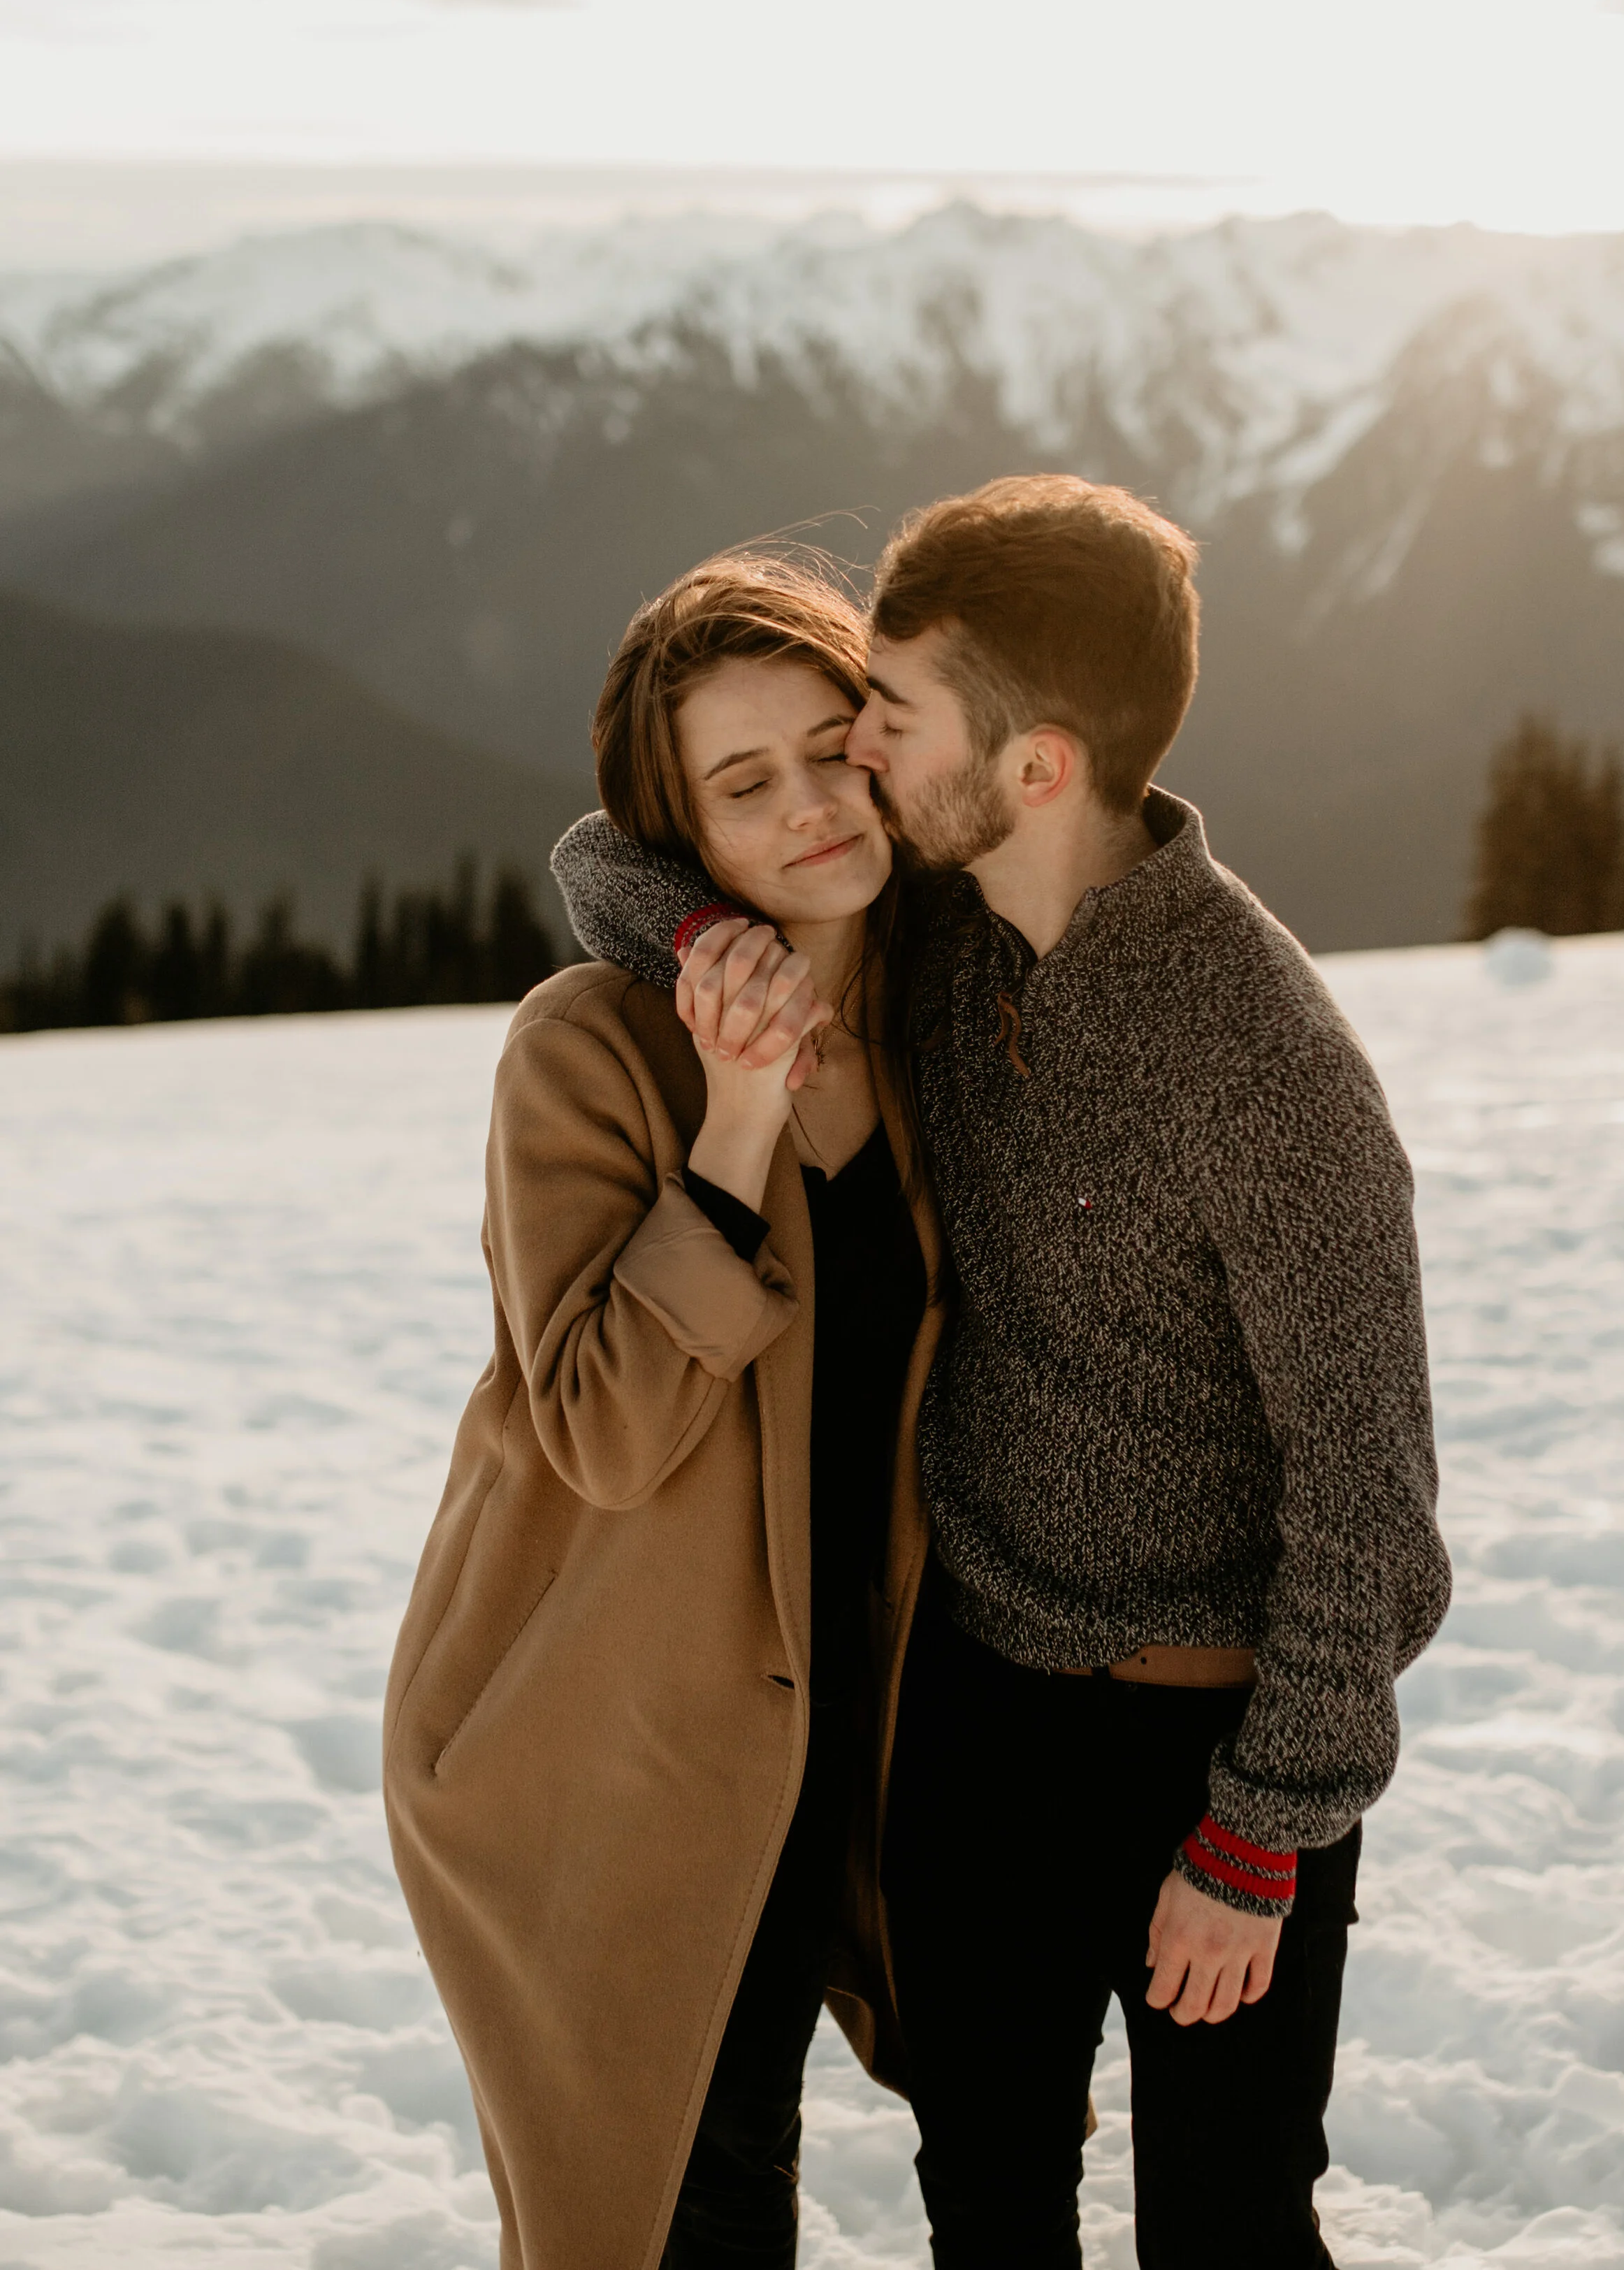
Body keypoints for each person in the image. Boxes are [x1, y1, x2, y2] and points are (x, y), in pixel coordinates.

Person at [555, 475, 1453, 2270]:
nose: (850, 760)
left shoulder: (1264, 1062)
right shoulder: (945, 937)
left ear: (1033, 765)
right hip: (973, 1718)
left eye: (883, 721)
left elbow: (1371, 1517)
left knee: (1224, 2232)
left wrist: (1257, 1840)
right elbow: (601, 853)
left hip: (1217, 1753)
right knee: (986, 2204)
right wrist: (700, 948)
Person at [383, 557, 944, 2270]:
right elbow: (605, 1435)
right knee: (671, 2218)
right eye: (741, 785)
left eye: (833, 750)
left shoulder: (939, 1015)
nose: (809, 809)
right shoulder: (589, 1050)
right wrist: (735, 1128)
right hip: (605, 1736)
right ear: (679, 838)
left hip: (843, 1703)